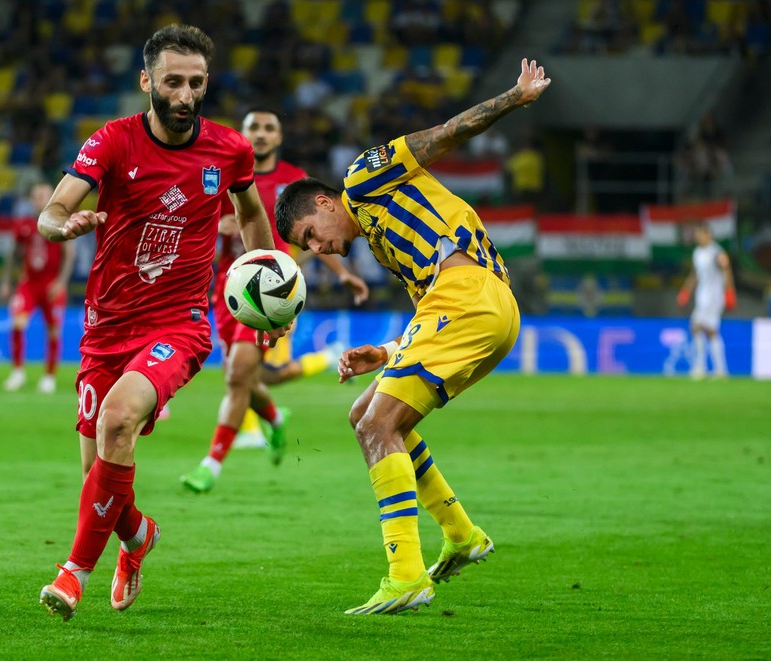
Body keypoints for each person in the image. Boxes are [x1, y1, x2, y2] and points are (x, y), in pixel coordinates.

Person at [275, 58, 552, 615]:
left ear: (326, 203)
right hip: (480, 308)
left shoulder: (363, 177)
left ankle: (405, 574)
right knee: (366, 416)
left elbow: (444, 135)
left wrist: (512, 97)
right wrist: (384, 353)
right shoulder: (384, 245)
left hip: (470, 295)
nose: (320, 248)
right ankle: (461, 533)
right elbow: (432, 313)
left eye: (311, 234)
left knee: (378, 423)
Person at [36, 24, 286, 622]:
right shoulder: (113, 142)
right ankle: (136, 538)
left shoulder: (229, 150)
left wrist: (267, 291)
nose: (185, 94)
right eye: (173, 81)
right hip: (105, 326)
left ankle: (72, 576)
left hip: (179, 323)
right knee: (99, 474)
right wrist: (59, 225)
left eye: (196, 83)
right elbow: (54, 207)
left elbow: (252, 218)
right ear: (147, 81)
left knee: (117, 421)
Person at [180, 108, 369, 493]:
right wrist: (217, 225)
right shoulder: (222, 175)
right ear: (243, 135)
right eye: (254, 128)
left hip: (273, 292)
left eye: (269, 128)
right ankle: (274, 419)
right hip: (227, 290)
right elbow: (192, 221)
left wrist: (344, 274)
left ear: (279, 138)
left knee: (236, 376)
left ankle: (210, 466)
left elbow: (318, 234)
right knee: (244, 378)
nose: (261, 134)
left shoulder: (293, 182)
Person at [0, 182, 75, 394]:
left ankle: (49, 376)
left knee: (53, 331)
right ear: (32, 200)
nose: (40, 199)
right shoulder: (23, 224)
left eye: (44, 195)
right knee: (17, 323)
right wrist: (5, 281)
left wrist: (61, 282)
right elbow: (13, 254)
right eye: (37, 196)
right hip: (29, 284)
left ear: (52, 197)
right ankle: (18, 372)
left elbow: (69, 255)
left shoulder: (60, 222)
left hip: (51, 284)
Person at [677, 223, 736, 379]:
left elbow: (726, 270)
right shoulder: (697, 253)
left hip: (714, 296)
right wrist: (686, 290)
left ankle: (702, 367)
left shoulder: (717, 252)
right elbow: (695, 274)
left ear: (708, 235)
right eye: (697, 234)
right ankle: (719, 369)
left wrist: (729, 291)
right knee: (706, 330)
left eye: (701, 234)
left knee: (699, 327)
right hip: (702, 295)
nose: (698, 237)